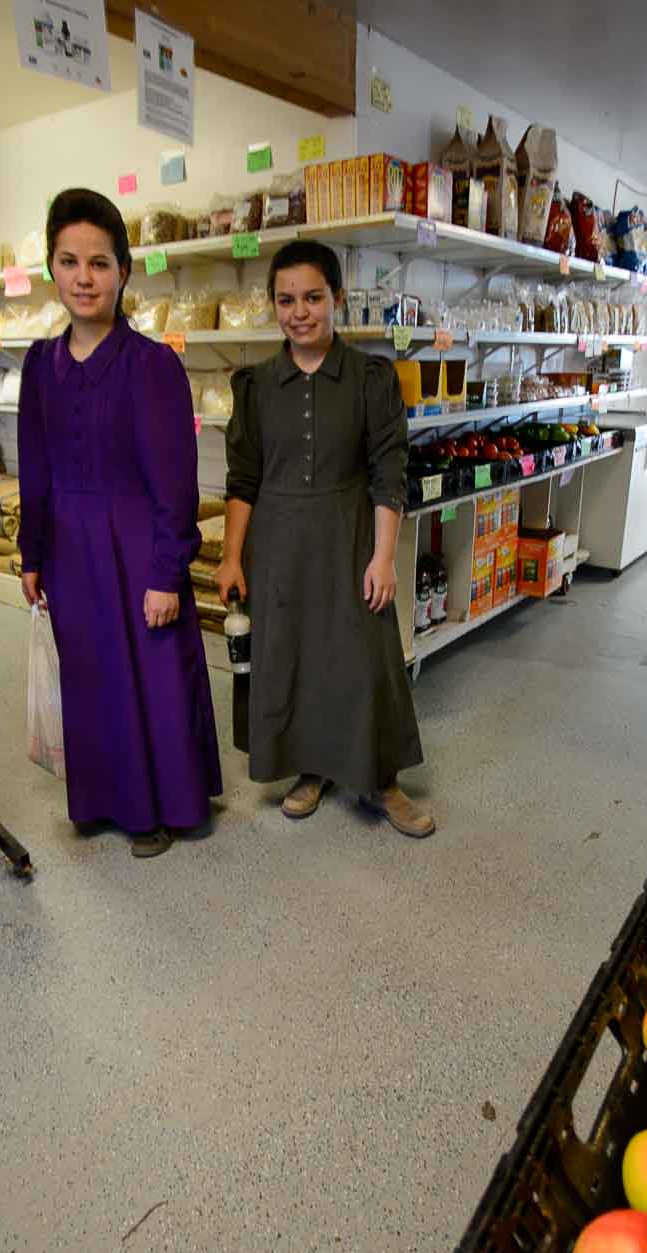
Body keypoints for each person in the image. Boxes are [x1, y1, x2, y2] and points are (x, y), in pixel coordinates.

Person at [17, 188, 221, 858]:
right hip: (71, 551)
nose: (83, 277)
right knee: (91, 673)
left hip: (137, 547)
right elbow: (35, 465)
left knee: (152, 673)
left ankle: (159, 809)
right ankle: (103, 798)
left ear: (123, 271)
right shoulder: (38, 366)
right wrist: (31, 552)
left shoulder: (151, 364)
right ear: (52, 268)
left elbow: (174, 481)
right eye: (69, 261)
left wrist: (168, 572)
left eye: (99, 263)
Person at [215, 240, 433, 838]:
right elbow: (243, 480)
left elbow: (391, 472)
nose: (299, 312)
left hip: (351, 537)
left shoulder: (370, 377)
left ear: (337, 299)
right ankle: (309, 770)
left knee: (366, 657)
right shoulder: (255, 386)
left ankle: (381, 780)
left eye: (313, 297)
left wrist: (384, 557)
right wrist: (233, 556)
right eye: (286, 300)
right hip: (279, 545)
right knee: (292, 656)